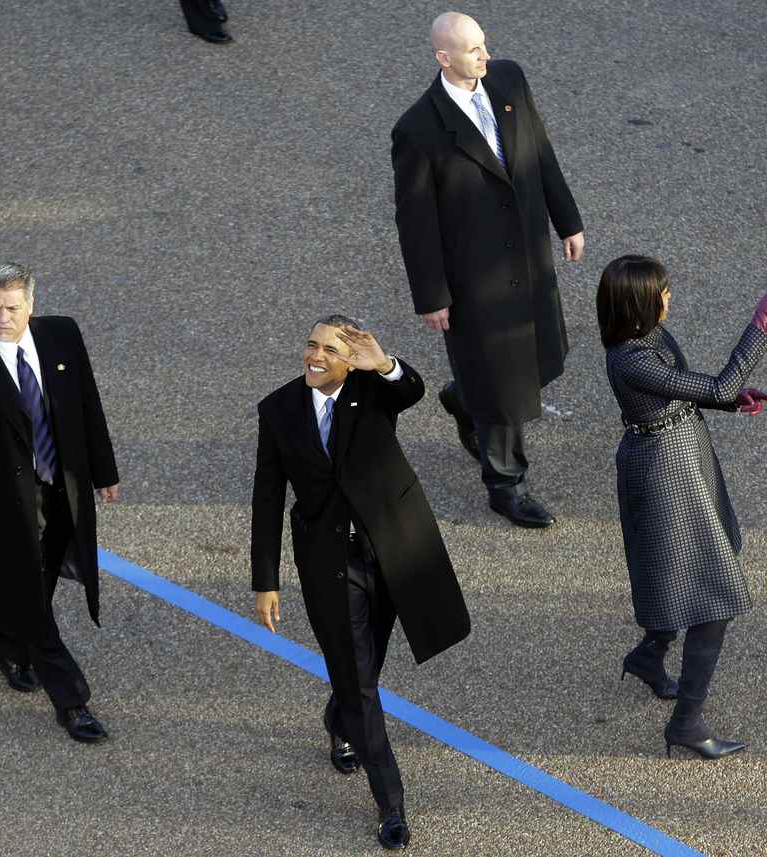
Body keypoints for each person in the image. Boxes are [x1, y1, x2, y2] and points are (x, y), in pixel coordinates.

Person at [251, 315, 470, 850]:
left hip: (392, 551)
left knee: (361, 667)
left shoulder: (374, 390)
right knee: (360, 682)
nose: (315, 356)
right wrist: (266, 581)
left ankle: (338, 716)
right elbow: (267, 497)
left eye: (329, 349)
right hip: (329, 563)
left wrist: (387, 365)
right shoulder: (278, 410)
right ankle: (390, 803)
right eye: (311, 344)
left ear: (351, 358)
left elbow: (413, 390)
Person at [391, 11, 585, 529]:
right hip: (474, 280)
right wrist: (432, 295)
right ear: (443, 58)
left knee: (529, 363)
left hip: (527, 259)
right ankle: (506, 485)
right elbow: (416, 223)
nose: (485, 55)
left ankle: (463, 397)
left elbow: (538, 151)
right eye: (473, 49)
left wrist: (568, 221)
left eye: (484, 45)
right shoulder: (418, 131)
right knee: (503, 384)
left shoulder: (508, 79)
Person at [596, 255, 767, 759]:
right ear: (639, 304)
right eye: (661, 292)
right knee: (712, 594)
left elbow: (697, 391)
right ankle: (686, 722)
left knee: (682, 573)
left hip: (683, 452)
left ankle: (648, 655)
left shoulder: (649, 340)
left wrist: (729, 400)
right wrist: (759, 325)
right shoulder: (631, 358)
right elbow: (715, 384)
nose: (669, 298)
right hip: (665, 471)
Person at [0, 263, 121, 744]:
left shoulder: (62, 337)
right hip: (0, 506)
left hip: (61, 490)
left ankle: (4, 648)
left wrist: (104, 472)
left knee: (43, 575)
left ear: (31, 306)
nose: (2, 317)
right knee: (34, 601)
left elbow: (87, 404)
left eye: (12, 308)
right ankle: (72, 702)